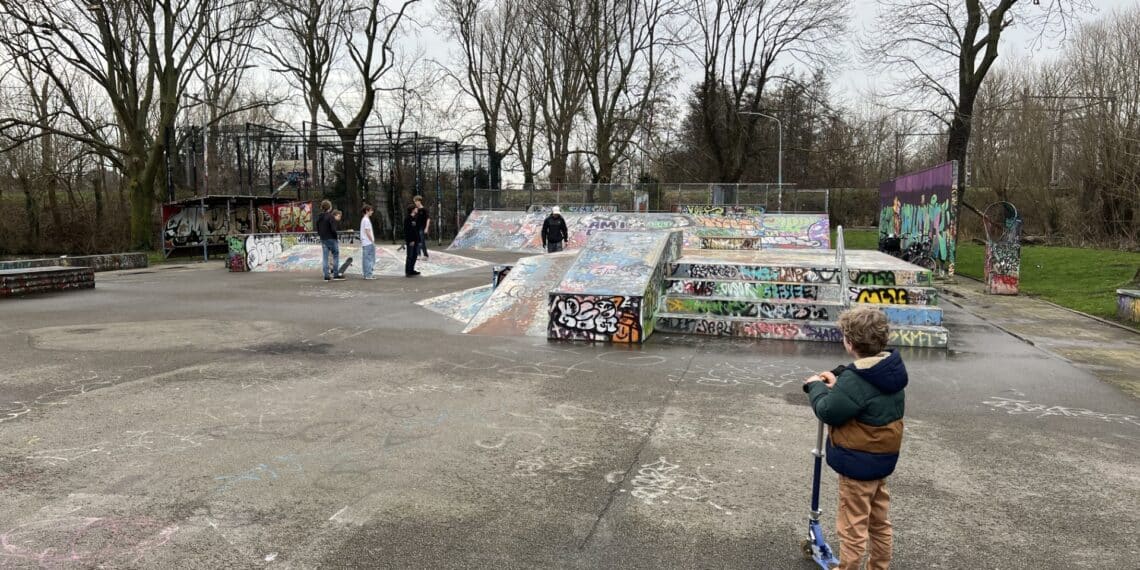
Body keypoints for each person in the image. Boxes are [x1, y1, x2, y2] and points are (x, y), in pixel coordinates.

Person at [802, 307, 906, 570]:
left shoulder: (856, 381)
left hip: (857, 465)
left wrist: (815, 385)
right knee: (879, 522)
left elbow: (829, 411)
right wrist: (840, 379)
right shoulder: (888, 369)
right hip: (880, 460)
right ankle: (879, 566)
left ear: (850, 342)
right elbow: (863, 395)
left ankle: (847, 567)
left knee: (852, 525)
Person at [316, 200, 343, 281]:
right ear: (329, 207)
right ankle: (335, 274)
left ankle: (326, 275)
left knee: (325, 257)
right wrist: (336, 236)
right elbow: (333, 229)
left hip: (323, 238)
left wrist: (321, 235)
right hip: (331, 238)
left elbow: (317, 227)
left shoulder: (319, 217)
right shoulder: (330, 216)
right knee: (335, 255)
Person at [404, 204, 421, 277]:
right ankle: (408, 271)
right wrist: (411, 240)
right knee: (410, 256)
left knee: (415, 255)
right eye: (416, 208)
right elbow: (407, 231)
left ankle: (412, 270)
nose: (417, 209)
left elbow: (416, 230)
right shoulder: (408, 219)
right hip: (411, 240)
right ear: (412, 209)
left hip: (416, 240)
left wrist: (418, 240)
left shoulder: (415, 218)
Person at [360, 204, 376, 280]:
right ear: (367, 211)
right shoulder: (366, 220)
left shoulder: (364, 219)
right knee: (369, 258)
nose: (372, 212)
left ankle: (366, 274)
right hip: (368, 242)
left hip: (365, 242)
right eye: (371, 210)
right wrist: (372, 240)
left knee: (366, 258)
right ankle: (368, 274)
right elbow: (367, 231)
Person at [413, 195, 431, 259]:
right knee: (417, 241)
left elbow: (428, 219)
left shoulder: (424, 209)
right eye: (414, 202)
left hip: (422, 227)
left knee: (422, 241)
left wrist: (426, 228)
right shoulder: (415, 209)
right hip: (416, 228)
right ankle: (418, 254)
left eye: (416, 201)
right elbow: (414, 219)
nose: (415, 203)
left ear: (419, 201)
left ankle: (426, 255)